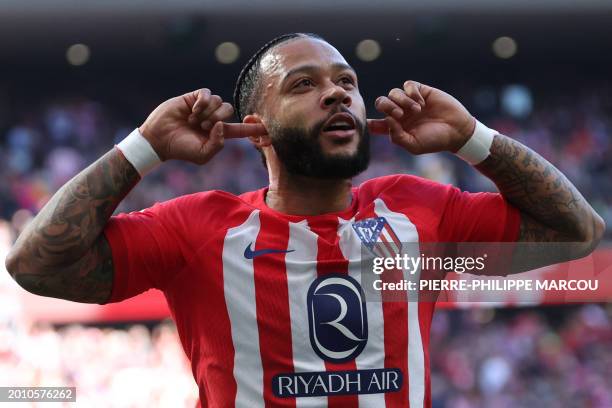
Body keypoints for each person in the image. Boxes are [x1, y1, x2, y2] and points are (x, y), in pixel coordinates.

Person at [5, 32, 604, 407]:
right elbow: (35, 265)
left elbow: (577, 232)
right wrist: (144, 148)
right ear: (255, 127)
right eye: (305, 84)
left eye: (348, 82)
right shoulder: (198, 229)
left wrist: (472, 138)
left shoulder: (420, 210)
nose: (339, 94)